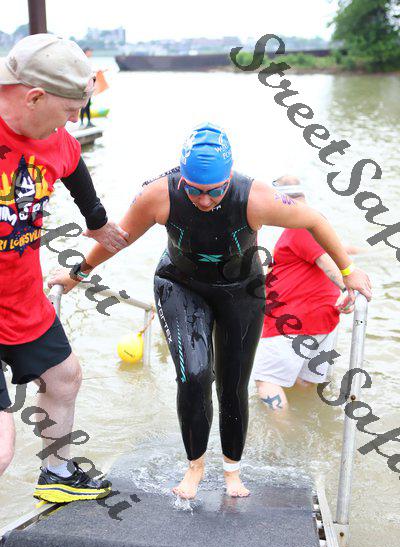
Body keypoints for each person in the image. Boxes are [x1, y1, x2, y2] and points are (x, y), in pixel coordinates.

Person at [49, 122, 372, 500]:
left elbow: (315, 220)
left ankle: (232, 470)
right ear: (182, 178)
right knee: (195, 374)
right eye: (195, 190)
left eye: (214, 191)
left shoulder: (256, 197)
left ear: (228, 178)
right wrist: (77, 274)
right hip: (180, 285)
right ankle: (195, 467)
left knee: (233, 383)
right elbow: (118, 238)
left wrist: (348, 272)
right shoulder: (159, 195)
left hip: (241, 291)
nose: (204, 200)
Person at [0, 34, 129, 502]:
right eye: (70, 110)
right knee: (1, 448)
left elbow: (73, 165)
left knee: (64, 376)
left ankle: (56, 474)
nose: (75, 120)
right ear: (34, 97)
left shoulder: (52, 139)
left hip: (21, 297)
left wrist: (97, 222)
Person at [253, 175, 356, 410]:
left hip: (292, 319)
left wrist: (347, 287)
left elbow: (326, 264)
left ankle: (283, 431)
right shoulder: (316, 224)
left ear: (277, 200)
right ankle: (305, 423)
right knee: (304, 383)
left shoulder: (299, 226)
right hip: (323, 319)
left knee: (267, 382)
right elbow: (335, 253)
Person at [80, 48, 94, 128]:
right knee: (84, 105)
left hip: (89, 87)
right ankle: (82, 123)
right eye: (90, 52)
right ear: (86, 52)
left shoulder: (87, 61)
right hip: (84, 88)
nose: (91, 53)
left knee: (88, 105)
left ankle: (89, 122)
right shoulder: (83, 61)